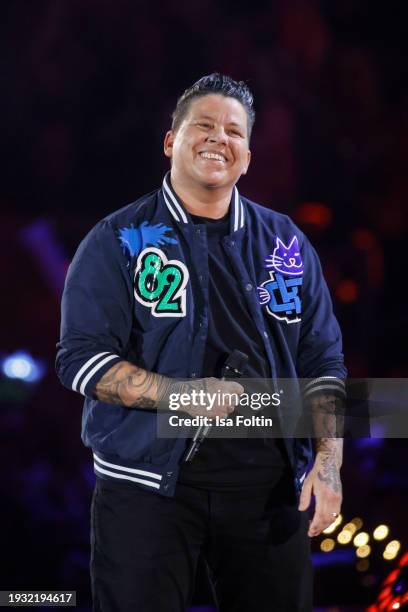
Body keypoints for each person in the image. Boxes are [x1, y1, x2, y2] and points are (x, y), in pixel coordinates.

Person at [56, 73, 346, 612]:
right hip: (146, 489)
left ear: (248, 156)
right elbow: (79, 360)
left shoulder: (285, 240)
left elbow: (323, 361)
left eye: (233, 131)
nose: (219, 138)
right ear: (171, 141)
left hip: (270, 489)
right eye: (204, 126)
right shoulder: (116, 238)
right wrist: (180, 395)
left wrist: (328, 465)